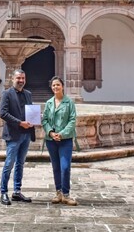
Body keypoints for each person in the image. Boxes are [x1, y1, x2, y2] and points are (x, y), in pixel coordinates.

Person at [0, 69, 36, 205]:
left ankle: (17, 192)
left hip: (26, 134)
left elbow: (30, 112)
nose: (21, 81)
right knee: (9, 164)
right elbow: (3, 113)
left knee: (20, 164)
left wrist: (36, 118)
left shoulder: (28, 94)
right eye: (18, 78)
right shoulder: (6, 94)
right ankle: (3, 192)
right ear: (12, 79)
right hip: (13, 135)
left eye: (23, 78)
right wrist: (20, 123)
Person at [41, 76, 78, 206]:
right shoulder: (49, 103)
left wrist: (61, 134)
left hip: (65, 139)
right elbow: (44, 120)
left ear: (62, 86)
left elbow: (72, 120)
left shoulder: (69, 102)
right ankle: (58, 193)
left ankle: (66, 194)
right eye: (53, 85)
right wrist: (51, 133)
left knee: (65, 167)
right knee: (56, 167)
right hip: (51, 140)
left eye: (58, 85)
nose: (55, 87)